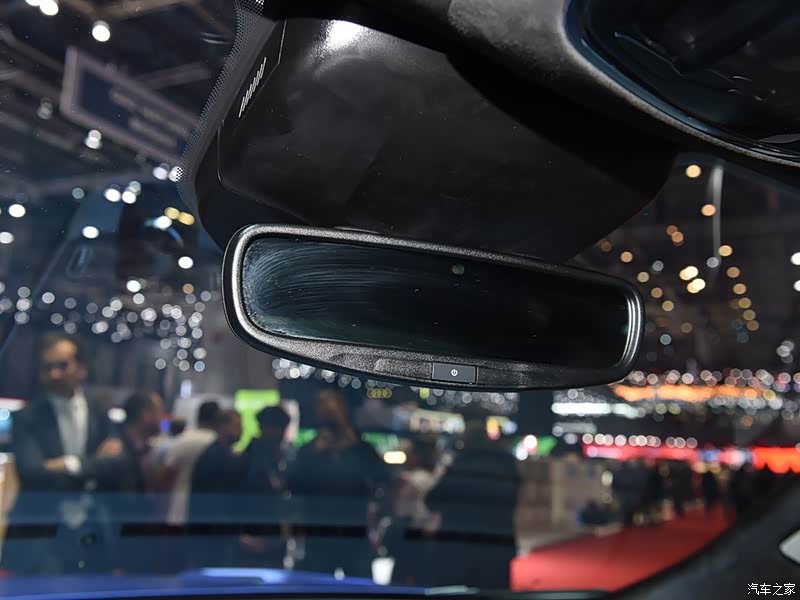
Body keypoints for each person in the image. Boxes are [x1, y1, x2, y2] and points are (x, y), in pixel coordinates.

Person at [5, 333, 122, 574]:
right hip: (40, 535)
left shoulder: (100, 413)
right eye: (47, 367)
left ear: (81, 369)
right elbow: (33, 472)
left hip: (93, 532)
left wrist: (69, 465)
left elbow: (119, 464)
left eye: (62, 365)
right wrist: (94, 465)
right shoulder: (26, 417)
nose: (54, 374)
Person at [287, 389, 389, 577]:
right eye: (324, 410)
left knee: (359, 587)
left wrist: (353, 446)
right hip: (318, 533)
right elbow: (292, 485)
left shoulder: (361, 449)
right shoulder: (309, 451)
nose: (328, 415)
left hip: (354, 531)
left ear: (343, 411)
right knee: (319, 586)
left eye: (333, 410)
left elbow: (382, 477)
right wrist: (314, 454)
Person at [426, 418, 521, 589]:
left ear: (466, 441)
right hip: (498, 544)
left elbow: (432, 500)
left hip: (459, 547)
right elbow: (513, 499)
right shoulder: (506, 462)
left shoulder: (459, 465)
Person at [188, 409, 248, 566]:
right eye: (237, 425)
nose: (241, 430)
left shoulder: (219, 454)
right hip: (213, 536)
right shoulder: (216, 457)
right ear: (222, 426)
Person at [162, 400, 220, 526]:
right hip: (211, 513)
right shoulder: (220, 444)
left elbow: (167, 475)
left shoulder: (183, 440)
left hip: (179, 508)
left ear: (197, 417)